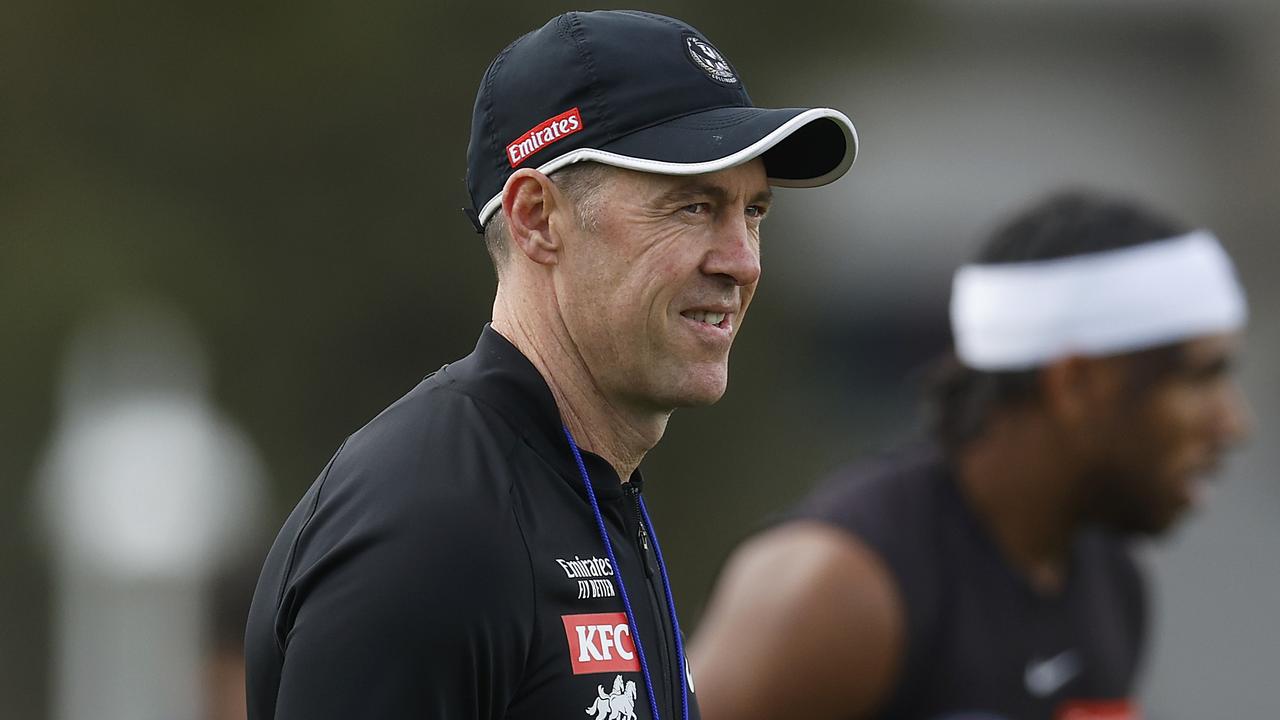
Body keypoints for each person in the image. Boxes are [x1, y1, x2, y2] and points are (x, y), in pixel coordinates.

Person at [244, 10, 858, 720]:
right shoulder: (433, 525)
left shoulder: (586, 491)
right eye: (692, 206)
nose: (741, 261)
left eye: (753, 213)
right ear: (537, 217)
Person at [691, 191, 1251, 720]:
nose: (1234, 425)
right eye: (1201, 378)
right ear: (1077, 383)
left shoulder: (1110, 578)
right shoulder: (843, 586)